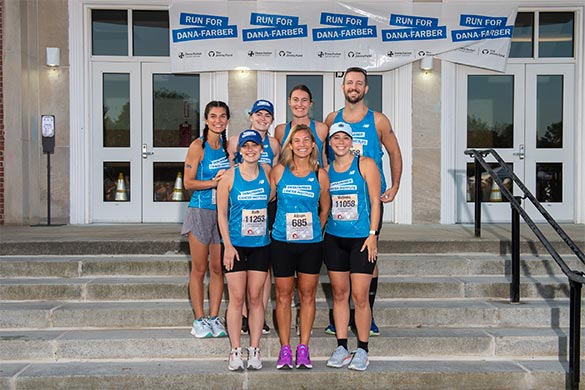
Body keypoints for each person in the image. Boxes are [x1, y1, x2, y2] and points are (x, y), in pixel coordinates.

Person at [324, 66, 403, 337]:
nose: (354, 87)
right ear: (343, 87)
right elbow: (324, 159)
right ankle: (339, 316)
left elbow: (394, 153)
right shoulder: (332, 118)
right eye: (349, 83)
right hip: (338, 199)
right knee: (340, 260)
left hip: (369, 203)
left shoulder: (378, 120)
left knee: (369, 256)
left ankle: (366, 313)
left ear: (366, 89)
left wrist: (395, 185)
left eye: (359, 83)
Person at [269, 124, 330, 369]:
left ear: (313, 145)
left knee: (307, 295)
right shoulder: (279, 172)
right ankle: (285, 348)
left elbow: (325, 208)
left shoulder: (320, 174)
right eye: (297, 141)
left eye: (307, 140)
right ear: (290, 145)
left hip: (310, 245)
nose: (302, 144)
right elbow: (267, 201)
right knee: (283, 296)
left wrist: (316, 228)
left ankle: (303, 347)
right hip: (282, 243)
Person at [323, 122, 381, 371]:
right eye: (336, 137)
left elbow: (376, 203)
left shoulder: (365, 164)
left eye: (345, 137)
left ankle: (363, 348)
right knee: (339, 295)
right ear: (330, 142)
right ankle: (342, 346)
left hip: (361, 239)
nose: (341, 141)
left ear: (351, 141)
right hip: (334, 238)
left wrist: (373, 234)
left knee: (359, 296)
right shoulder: (326, 170)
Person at [217, 129, 273, 371]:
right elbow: (221, 214)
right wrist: (227, 245)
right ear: (239, 150)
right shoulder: (229, 177)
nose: (250, 149)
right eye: (246, 146)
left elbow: (273, 199)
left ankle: (255, 349)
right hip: (236, 246)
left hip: (261, 246)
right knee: (237, 298)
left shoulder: (268, 173)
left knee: (256, 298)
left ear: (262, 149)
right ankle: (235, 350)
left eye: (255, 146)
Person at [227, 99, 280, 335]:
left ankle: (260, 314)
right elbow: (229, 172)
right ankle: (245, 316)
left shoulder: (274, 144)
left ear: (271, 119)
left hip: (264, 205)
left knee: (264, 266)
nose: (262, 118)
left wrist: (268, 197)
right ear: (250, 116)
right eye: (258, 114)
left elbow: (275, 177)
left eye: (267, 115)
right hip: (241, 205)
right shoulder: (235, 141)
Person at [182, 100, 231, 339]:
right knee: (199, 269)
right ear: (205, 119)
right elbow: (188, 183)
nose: (218, 120)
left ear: (227, 120)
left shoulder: (227, 146)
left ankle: (214, 317)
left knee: (217, 268)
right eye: (213, 116)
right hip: (200, 212)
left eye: (222, 116)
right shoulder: (197, 146)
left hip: (221, 214)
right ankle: (199, 320)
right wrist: (215, 182)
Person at [274, 85, 328, 166]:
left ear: (310, 103)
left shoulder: (321, 129)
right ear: (289, 102)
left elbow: (324, 161)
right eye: (295, 100)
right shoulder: (280, 130)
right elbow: (276, 161)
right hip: (288, 177)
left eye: (304, 100)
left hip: (316, 177)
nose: (299, 104)